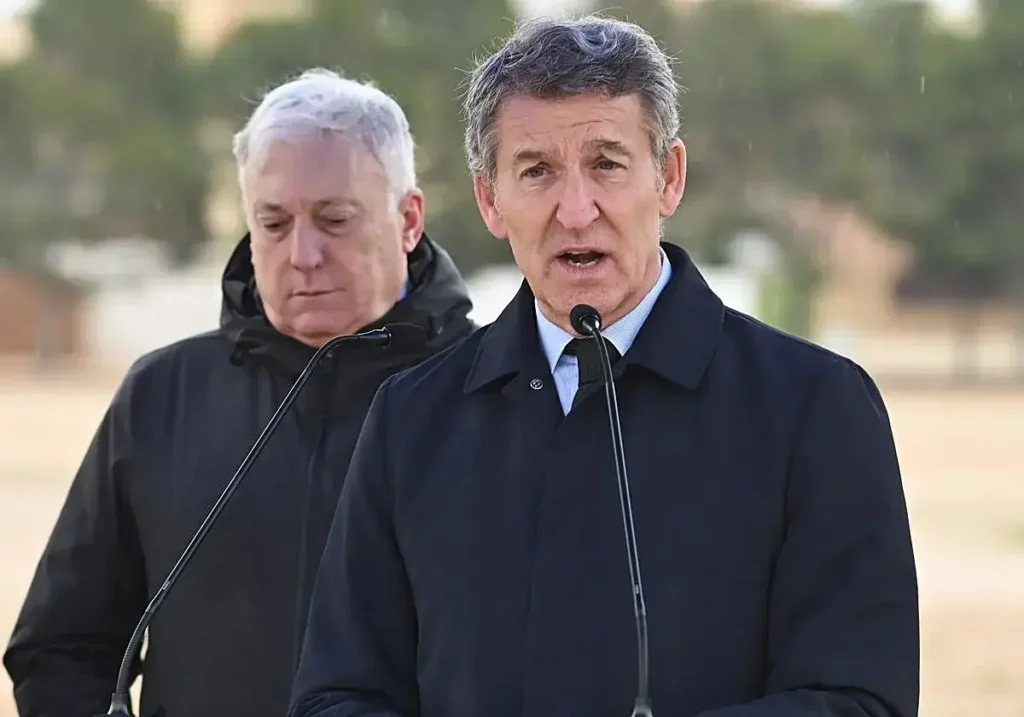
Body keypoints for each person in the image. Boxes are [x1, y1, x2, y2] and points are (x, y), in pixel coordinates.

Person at [288, 16, 920, 717]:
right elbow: (338, 694)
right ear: (490, 199)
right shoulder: (412, 418)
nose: (576, 209)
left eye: (607, 164)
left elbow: (861, 699)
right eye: (537, 171)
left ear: (669, 178)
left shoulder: (814, 409)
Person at [3, 68, 476, 717]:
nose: (303, 253)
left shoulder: (495, 390)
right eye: (274, 223)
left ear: (409, 219)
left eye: (334, 219)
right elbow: (61, 647)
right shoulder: (160, 396)